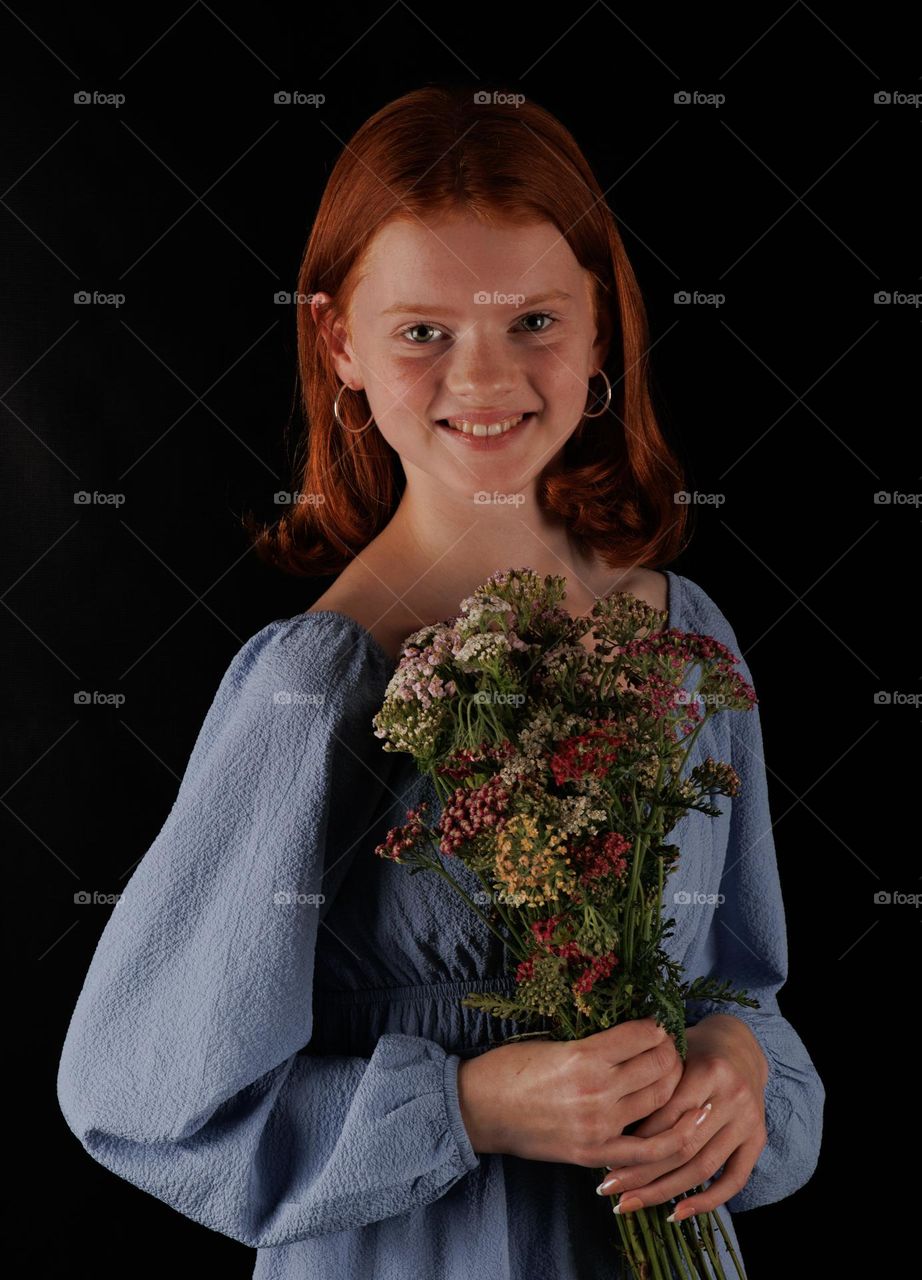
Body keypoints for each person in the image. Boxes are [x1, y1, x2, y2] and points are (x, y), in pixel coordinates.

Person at [56, 84, 824, 1279]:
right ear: (339, 343)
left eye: (534, 320)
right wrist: (471, 1105)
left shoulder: (686, 638)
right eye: (423, 330)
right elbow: (141, 1092)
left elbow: (741, 977)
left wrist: (737, 1058)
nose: (486, 375)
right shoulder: (320, 682)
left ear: (602, 330)